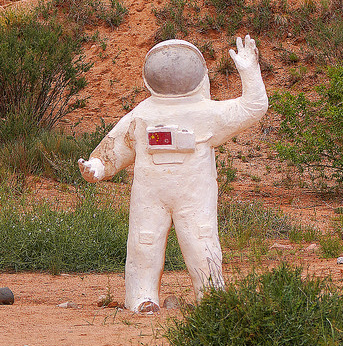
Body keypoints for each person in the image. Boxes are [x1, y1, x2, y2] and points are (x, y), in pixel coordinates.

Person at [79, 35, 267, 312]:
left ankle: (212, 297)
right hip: (151, 194)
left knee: (201, 244)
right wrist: (97, 165)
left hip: (193, 195)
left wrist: (250, 70)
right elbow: (117, 145)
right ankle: (142, 297)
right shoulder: (145, 113)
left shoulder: (205, 113)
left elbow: (253, 108)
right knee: (145, 242)